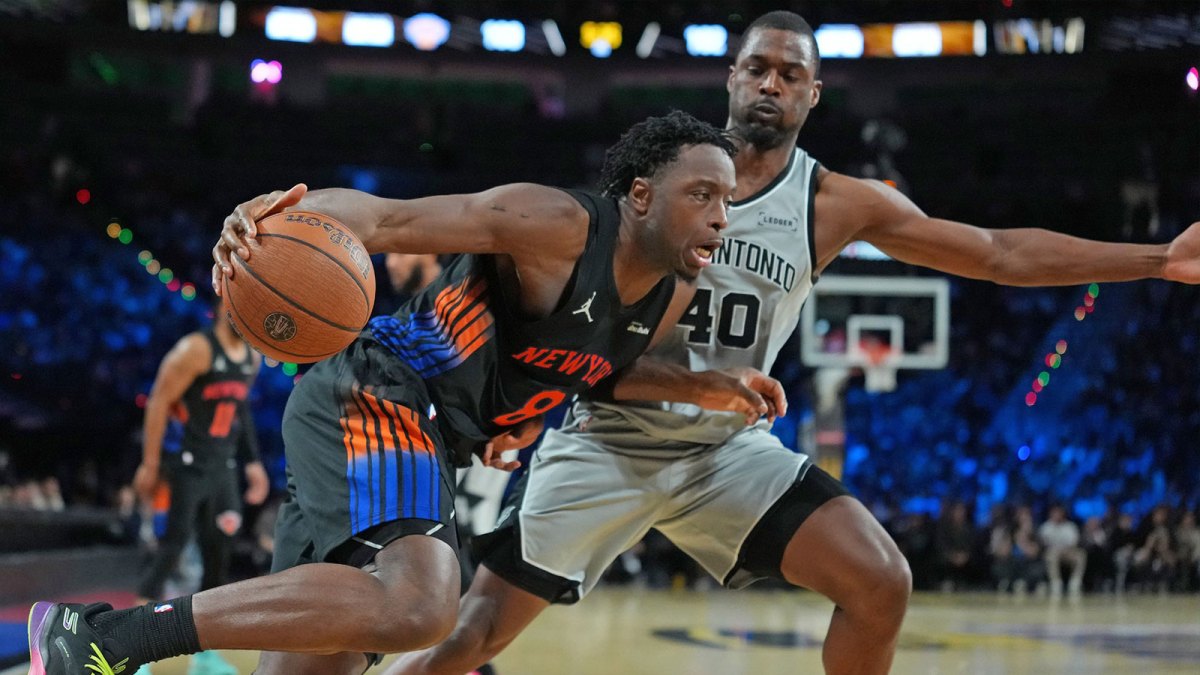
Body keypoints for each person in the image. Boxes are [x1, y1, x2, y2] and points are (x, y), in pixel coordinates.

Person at [385, 11, 1200, 675]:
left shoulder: (837, 203)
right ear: (731, 79)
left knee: (881, 580)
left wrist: (1158, 258)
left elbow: (995, 251)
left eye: (790, 73)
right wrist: (526, 403)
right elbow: (573, 312)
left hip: (725, 452)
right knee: (469, 637)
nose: (772, 82)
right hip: (607, 436)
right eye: (758, 68)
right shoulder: (659, 178)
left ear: (815, 95)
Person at [27, 111, 783, 675]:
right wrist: (279, 219)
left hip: (429, 438)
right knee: (422, 603)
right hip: (381, 390)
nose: (723, 214)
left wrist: (712, 385)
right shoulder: (560, 225)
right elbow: (388, 220)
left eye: (728, 200)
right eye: (704, 193)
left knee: (317, 664)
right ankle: (102, 637)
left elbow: (598, 367)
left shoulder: (672, 294)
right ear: (643, 195)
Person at [130, 304, 271, 675]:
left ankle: (204, 654)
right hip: (187, 466)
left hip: (223, 468)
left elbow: (240, 411)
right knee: (171, 550)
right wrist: (150, 462)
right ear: (226, 305)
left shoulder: (251, 357)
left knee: (218, 557)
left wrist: (252, 462)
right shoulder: (195, 350)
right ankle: (132, 648)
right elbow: (159, 401)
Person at [1037, 504, 1086, 598]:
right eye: (1054, 513)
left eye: (1058, 513)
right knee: (1051, 555)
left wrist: (1065, 550)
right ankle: (1056, 583)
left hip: (1068, 553)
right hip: (1053, 553)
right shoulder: (1046, 527)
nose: (1056, 515)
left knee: (1081, 555)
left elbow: (1074, 543)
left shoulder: (1070, 527)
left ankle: (1075, 582)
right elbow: (1043, 545)